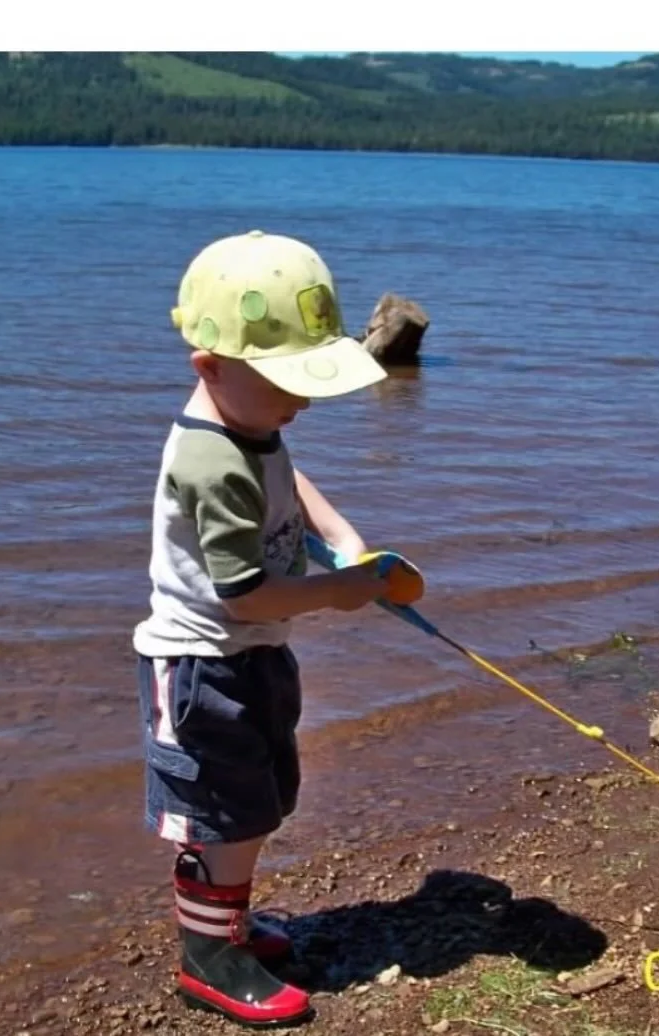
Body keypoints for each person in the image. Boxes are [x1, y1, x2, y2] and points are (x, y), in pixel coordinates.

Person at [133, 229, 424, 1028]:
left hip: (251, 655)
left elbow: (287, 474)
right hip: (204, 667)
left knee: (255, 803)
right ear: (210, 366)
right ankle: (206, 959)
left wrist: (344, 534)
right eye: (285, 382)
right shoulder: (210, 461)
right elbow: (246, 596)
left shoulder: (247, 423)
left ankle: (224, 922)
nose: (299, 403)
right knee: (221, 812)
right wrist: (340, 591)